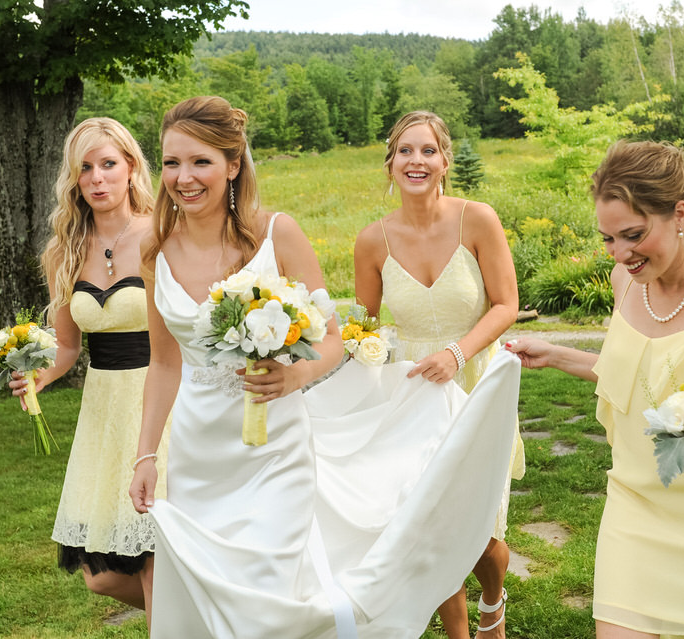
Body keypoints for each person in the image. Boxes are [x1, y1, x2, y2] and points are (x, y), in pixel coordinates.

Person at [128, 96, 522, 639]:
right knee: (210, 588)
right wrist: (147, 454)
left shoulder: (278, 235)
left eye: (200, 162)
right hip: (198, 453)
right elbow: (164, 363)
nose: (183, 177)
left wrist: (297, 375)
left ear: (233, 165)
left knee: (272, 585)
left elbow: (335, 337)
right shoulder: (154, 250)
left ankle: (484, 607)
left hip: (277, 448)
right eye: (171, 163)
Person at [507, 140, 684, 639]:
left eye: (633, 235)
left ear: (679, 213)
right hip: (632, 507)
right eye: (609, 239)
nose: (621, 254)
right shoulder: (624, 281)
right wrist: (556, 354)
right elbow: (640, 377)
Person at [353, 110, 526, 639]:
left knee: (482, 530)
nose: (416, 161)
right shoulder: (371, 241)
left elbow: (506, 304)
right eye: (405, 151)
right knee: (431, 519)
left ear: (445, 161)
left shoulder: (478, 219)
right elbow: (366, 325)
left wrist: (457, 352)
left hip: (476, 380)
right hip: (413, 394)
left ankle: (493, 599)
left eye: (427, 151)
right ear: (390, 165)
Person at [9, 117, 169, 620]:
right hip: (103, 409)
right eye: (85, 168)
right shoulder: (63, 252)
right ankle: (202, 618)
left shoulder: (161, 236)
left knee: (155, 556)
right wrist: (41, 375)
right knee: (101, 576)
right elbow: (67, 346)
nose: (97, 178)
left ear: (130, 168)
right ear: (74, 180)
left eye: (108, 164)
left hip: (161, 395)